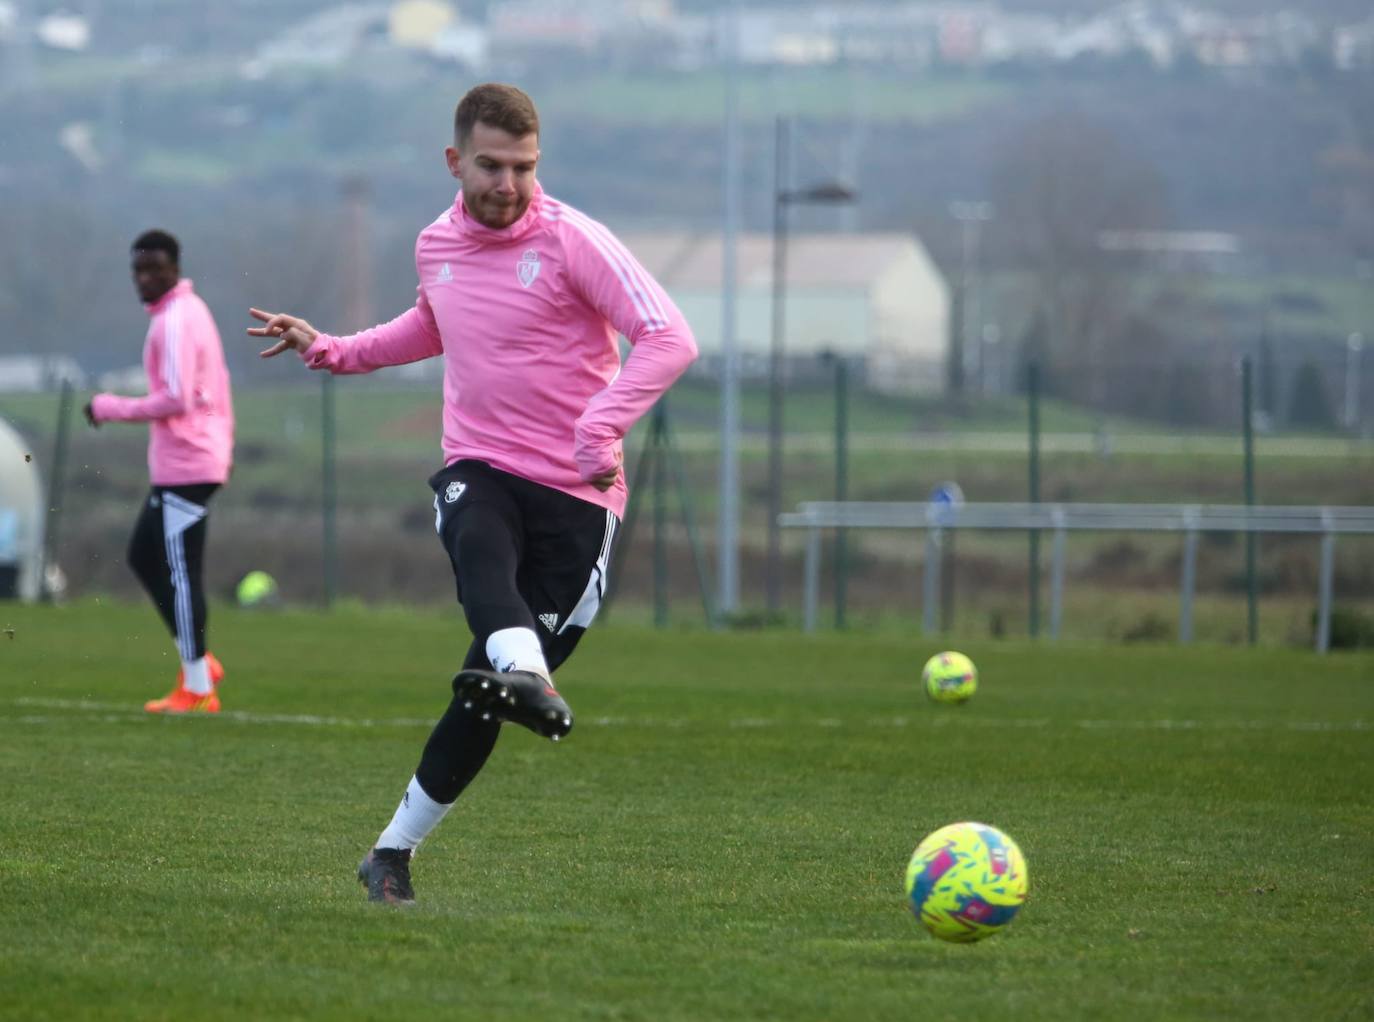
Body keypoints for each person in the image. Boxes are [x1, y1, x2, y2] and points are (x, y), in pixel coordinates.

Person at [249, 83, 697, 905]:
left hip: (579, 498)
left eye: (524, 167)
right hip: (482, 463)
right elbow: (433, 324)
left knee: (480, 697)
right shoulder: (435, 246)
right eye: (491, 166)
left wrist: (599, 430)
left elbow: (671, 337)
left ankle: (391, 852)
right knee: (476, 540)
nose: (509, 183)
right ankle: (531, 676)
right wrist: (331, 350)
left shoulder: (573, 242)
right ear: (455, 162)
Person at [85, 229, 235, 713]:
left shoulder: (174, 320)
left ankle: (196, 686)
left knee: (180, 571)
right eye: (138, 269)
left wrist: (108, 406)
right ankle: (200, 662)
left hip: (188, 462)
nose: (145, 278)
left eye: (155, 268)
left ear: (175, 267)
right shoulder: (191, 311)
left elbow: (176, 398)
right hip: (192, 458)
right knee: (144, 556)